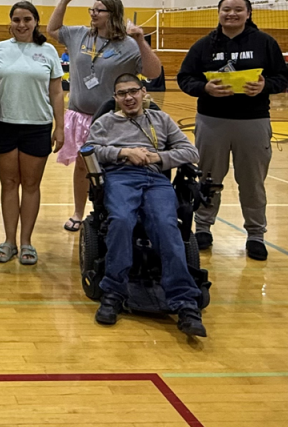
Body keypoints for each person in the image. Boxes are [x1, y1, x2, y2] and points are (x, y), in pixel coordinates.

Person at [84, 74, 207, 337]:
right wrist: (122, 152)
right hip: (120, 177)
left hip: (156, 179)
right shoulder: (105, 122)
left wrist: (157, 157)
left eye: (133, 92)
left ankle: (184, 301)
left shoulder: (161, 120)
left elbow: (191, 152)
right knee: (121, 220)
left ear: (143, 93)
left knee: (166, 225)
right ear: (115, 98)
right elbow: (89, 150)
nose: (128, 98)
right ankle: (114, 292)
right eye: (121, 94)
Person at [177, 0, 288, 260]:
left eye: (238, 9)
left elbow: (283, 77)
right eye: (226, 9)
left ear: (248, 14)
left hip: (253, 121)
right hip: (212, 121)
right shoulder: (204, 45)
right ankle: (203, 228)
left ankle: (255, 234)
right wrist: (204, 88)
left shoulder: (265, 43)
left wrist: (265, 86)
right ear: (218, 13)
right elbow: (184, 78)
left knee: (252, 182)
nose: (232, 14)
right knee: (207, 178)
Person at [46, 0, 161, 233]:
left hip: (113, 118)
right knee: (81, 166)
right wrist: (64, 1)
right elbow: (52, 29)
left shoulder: (129, 44)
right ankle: (78, 212)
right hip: (79, 115)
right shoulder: (80, 35)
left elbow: (153, 72)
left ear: (113, 14)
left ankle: (113, 211)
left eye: (99, 10)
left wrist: (141, 40)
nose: (93, 14)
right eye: (92, 9)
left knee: (114, 166)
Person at [0, 2, 65, 265]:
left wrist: (60, 127)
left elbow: (56, 92)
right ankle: (9, 241)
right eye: (17, 20)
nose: (22, 25)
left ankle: (26, 242)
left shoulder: (49, 51)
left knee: (31, 185)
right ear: (10, 22)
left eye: (27, 19)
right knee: (9, 185)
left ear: (36, 21)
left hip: (37, 126)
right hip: (2, 124)